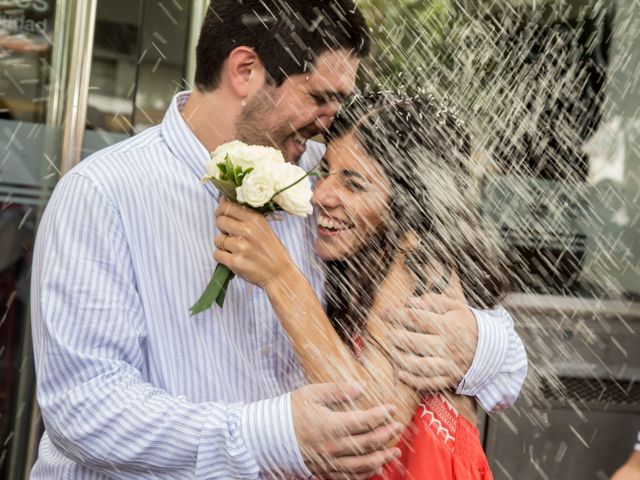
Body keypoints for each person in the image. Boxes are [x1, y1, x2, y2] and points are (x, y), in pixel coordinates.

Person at [30, 1, 526, 478]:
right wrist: (268, 433)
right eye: (317, 97)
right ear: (245, 70)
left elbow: (497, 350)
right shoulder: (104, 195)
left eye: (339, 101)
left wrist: (477, 345)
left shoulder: (324, 181)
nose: (329, 120)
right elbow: (84, 407)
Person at [215, 92, 514, 478]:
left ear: (409, 202)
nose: (322, 195)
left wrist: (280, 278)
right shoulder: (361, 265)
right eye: (325, 172)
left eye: (354, 184)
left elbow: (366, 425)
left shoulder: (422, 262)